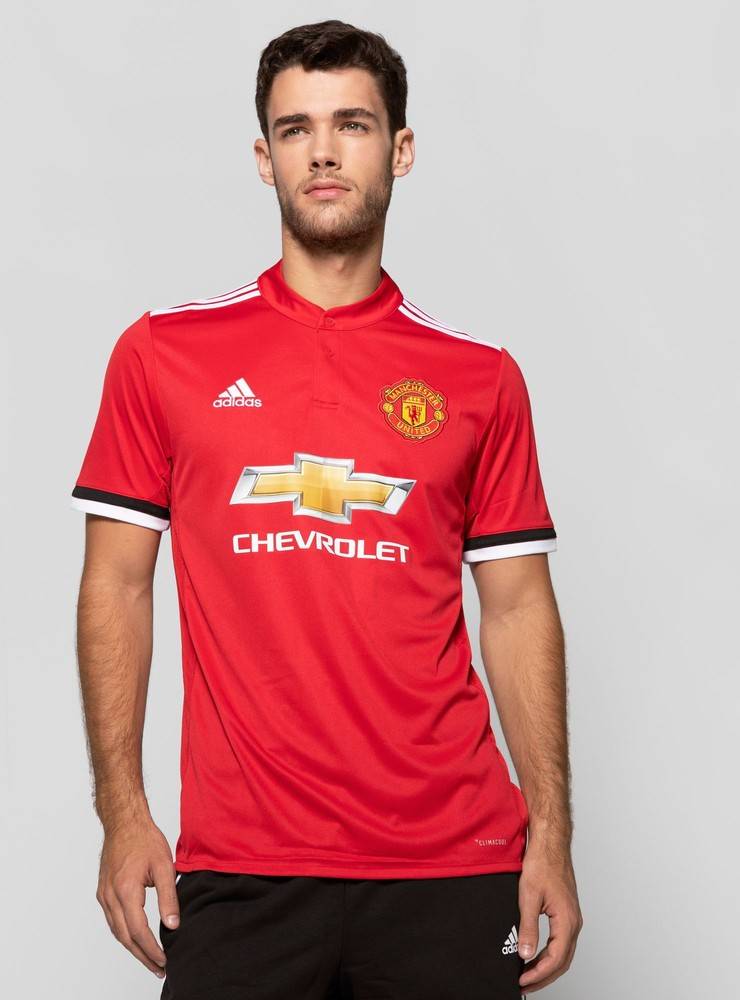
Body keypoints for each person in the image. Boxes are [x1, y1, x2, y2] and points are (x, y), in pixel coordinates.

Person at [70, 18, 582, 999]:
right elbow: (116, 586)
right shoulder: (163, 354)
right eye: (296, 128)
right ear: (265, 159)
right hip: (241, 867)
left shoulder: (478, 376)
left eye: (352, 124)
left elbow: (518, 607)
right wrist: (122, 813)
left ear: (400, 149)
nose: (323, 151)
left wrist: (551, 833)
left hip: (452, 862)